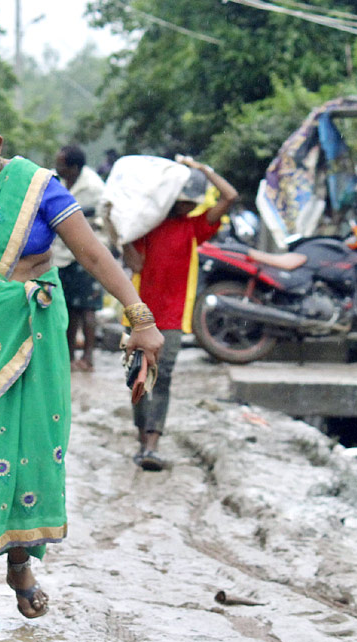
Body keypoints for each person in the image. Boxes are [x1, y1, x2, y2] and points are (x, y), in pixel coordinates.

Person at [0, 102, 163, 634]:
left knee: (26, 453)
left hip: (30, 336)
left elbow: (90, 254)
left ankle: (20, 566)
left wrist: (139, 317)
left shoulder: (38, 188)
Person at [122, 156, 238, 471]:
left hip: (173, 317)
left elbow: (230, 197)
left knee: (163, 378)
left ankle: (152, 443)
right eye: (185, 201)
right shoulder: (146, 224)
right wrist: (115, 230)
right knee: (138, 377)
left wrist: (202, 169)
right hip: (139, 315)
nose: (189, 207)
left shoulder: (194, 227)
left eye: (192, 203)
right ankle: (142, 437)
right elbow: (135, 265)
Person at [52, 145, 107, 371]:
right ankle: (69, 357)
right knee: (69, 309)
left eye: (62, 164)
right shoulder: (57, 181)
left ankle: (89, 358)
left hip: (87, 252)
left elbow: (105, 215)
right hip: (63, 254)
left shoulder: (94, 187)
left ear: (74, 167)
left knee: (88, 309)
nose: (57, 168)